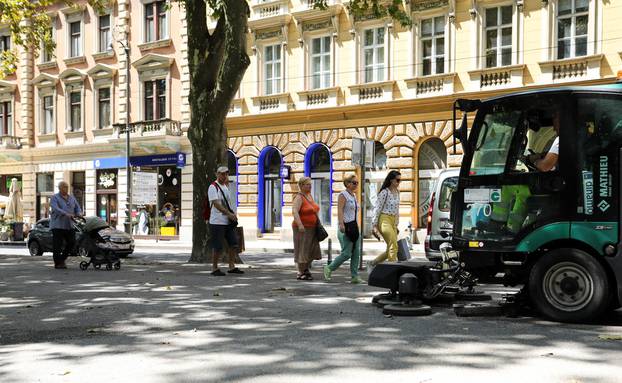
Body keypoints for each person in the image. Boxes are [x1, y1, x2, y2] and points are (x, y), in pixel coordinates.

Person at [324, 174, 363, 284]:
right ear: (347, 183)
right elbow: (340, 210)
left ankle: (354, 276)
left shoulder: (354, 196)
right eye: (354, 183)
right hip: (346, 227)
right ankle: (329, 268)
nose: (356, 185)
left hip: (354, 227)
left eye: (357, 183)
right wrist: (341, 224)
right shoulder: (343, 195)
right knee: (346, 253)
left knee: (356, 253)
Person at [208, 166, 244, 276]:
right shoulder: (213, 187)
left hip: (227, 221)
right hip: (217, 221)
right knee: (217, 246)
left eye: (226, 174)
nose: (224, 176)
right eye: (222, 174)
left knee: (233, 243)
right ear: (217, 174)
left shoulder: (225, 186)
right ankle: (214, 268)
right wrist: (229, 214)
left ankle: (231, 266)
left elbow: (228, 203)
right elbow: (216, 204)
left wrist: (233, 214)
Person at [367, 170, 401, 270]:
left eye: (400, 180)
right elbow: (377, 208)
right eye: (398, 180)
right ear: (391, 180)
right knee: (393, 245)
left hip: (393, 220)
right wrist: (374, 225)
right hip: (384, 219)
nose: (399, 182)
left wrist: (396, 222)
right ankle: (392, 270)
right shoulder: (384, 192)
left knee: (392, 247)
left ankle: (373, 263)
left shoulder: (398, 192)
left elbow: (397, 209)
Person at [292, 176, 321, 280]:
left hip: (313, 227)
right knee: (302, 249)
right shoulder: (299, 197)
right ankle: (301, 272)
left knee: (312, 249)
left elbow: (314, 209)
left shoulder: (309, 196)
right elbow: (295, 211)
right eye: (307, 184)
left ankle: (306, 269)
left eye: (310, 184)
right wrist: (300, 225)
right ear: (301, 185)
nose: (310, 186)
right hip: (302, 228)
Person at [50, 181, 82, 269]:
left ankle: (62, 259)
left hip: (69, 225)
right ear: (60, 188)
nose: (66, 188)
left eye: (67, 187)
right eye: (64, 187)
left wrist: (79, 213)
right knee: (57, 245)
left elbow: (77, 207)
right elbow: (55, 208)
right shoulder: (54, 198)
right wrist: (65, 213)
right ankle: (58, 263)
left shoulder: (71, 198)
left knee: (72, 242)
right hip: (57, 225)